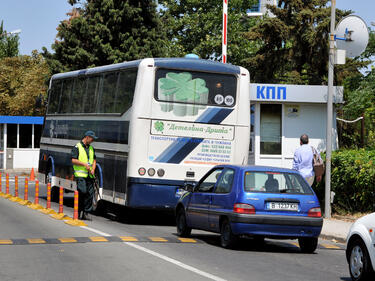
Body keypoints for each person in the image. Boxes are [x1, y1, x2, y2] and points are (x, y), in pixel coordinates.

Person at [71, 130, 98, 220]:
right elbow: (73, 160)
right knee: (82, 192)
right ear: (87, 137)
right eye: (92, 139)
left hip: (89, 175)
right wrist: (84, 164)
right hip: (80, 175)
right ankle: (78, 211)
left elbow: (94, 160)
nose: (93, 141)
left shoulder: (91, 148)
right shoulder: (77, 147)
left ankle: (86, 213)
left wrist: (93, 169)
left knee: (90, 194)